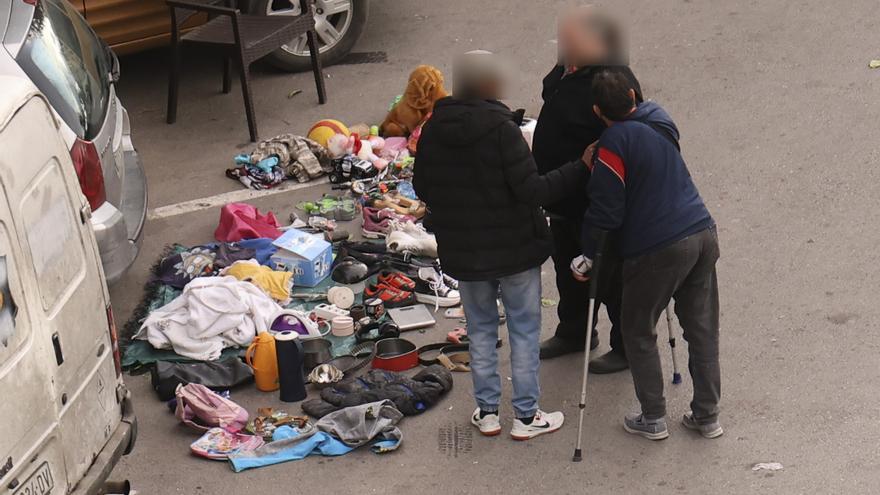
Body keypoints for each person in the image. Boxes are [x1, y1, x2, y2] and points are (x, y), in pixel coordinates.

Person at [413, 50, 589, 440]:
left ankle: (488, 412)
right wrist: (580, 166)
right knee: (524, 331)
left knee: (479, 330)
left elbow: (423, 186)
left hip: (465, 251)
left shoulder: (435, 129)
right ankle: (526, 417)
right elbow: (533, 191)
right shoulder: (501, 129)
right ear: (489, 85)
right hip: (516, 250)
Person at [576, 68, 722, 441]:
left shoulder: (612, 146)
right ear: (633, 96)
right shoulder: (660, 120)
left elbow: (606, 211)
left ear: (597, 110)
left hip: (657, 247)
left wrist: (589, 255)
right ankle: (707, 415)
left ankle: (653, 417)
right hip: (701, 231)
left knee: (638, 328)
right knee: (701, 328)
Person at [533, 5, 642, 374]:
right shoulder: (569, 68)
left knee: (608, 275)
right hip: (563, 196)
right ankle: (575, 331)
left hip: (594, 198)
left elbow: (629, 130)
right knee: (568, 269)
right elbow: (552, 92)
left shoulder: (611, 77)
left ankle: (627, 347)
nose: (563, 44)